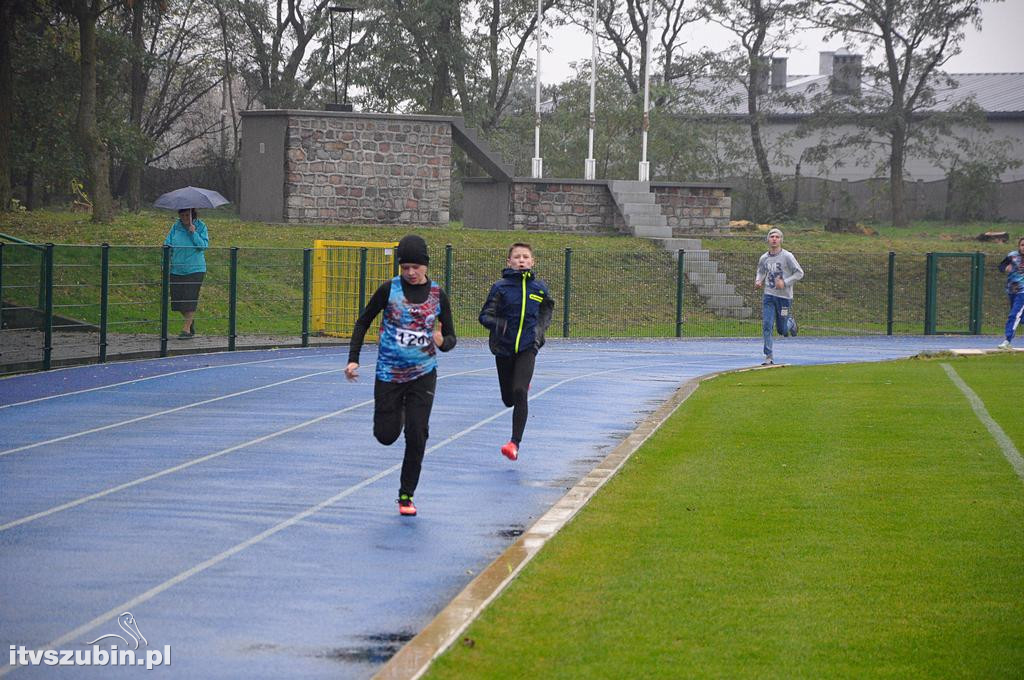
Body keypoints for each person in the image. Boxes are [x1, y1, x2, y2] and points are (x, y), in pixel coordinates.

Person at [344, 235, 457, 517]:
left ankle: (406, 495)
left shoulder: (437, 295)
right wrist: (353, 360)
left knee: (417, 434)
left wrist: (442, 341)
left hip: (423, 375)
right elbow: (363, 322)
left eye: (415, 267)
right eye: (405, 267)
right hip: (389, 375)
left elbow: (451, 338)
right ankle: (400, 411)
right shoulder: (388, 290)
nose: (410, 273)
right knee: (385, 436)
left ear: (425, 266)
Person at [479, 243, 554, 461]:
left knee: (520, 391)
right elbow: (484, 316)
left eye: (526, 257)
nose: (521, 260)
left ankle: (514, 444)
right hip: (503, 348)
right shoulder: (500, 288)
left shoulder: (539, 289)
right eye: (517, 257)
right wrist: (499, 325)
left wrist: (538, 335)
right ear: (509, 262)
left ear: (532, 262)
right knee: (508, 399)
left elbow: (546, 311)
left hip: (527, 348)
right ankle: (518, 384)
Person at [754, 227, 803, 366]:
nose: (774, 239)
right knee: (767, 325)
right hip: (769, 295)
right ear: (768, 240)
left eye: (777, 237)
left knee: (782, 330)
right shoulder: (764, 258)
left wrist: (785, 282)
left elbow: (799, 273)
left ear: (781, 240)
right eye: (772, 236)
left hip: (784, 298)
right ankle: (768, 356)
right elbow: (761, 271)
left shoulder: (788, 256)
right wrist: (758, 281)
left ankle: (791, 323)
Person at [164, 208, 209, 339]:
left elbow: (203, 246)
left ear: (192, 215)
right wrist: (165, 260)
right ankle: (190, 322)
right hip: (176, 269)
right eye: (182, 215)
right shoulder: (176, 227)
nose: (184, 218)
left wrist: (193, 233)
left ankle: (186, 330)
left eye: (187, 215)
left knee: (189, 299)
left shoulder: (201, 226)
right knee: (178, 302)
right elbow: (168, 244)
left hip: (195, 269)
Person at [997, 236, 1024, 350]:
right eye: (1023, 245)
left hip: (1023, 292)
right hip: (1012, 290)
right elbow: (1001, 266)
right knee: (1021, 317)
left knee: (1013, 315)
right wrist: (1005, 268)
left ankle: (1007, 340)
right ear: (1019, 246)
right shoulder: (1012, 256)